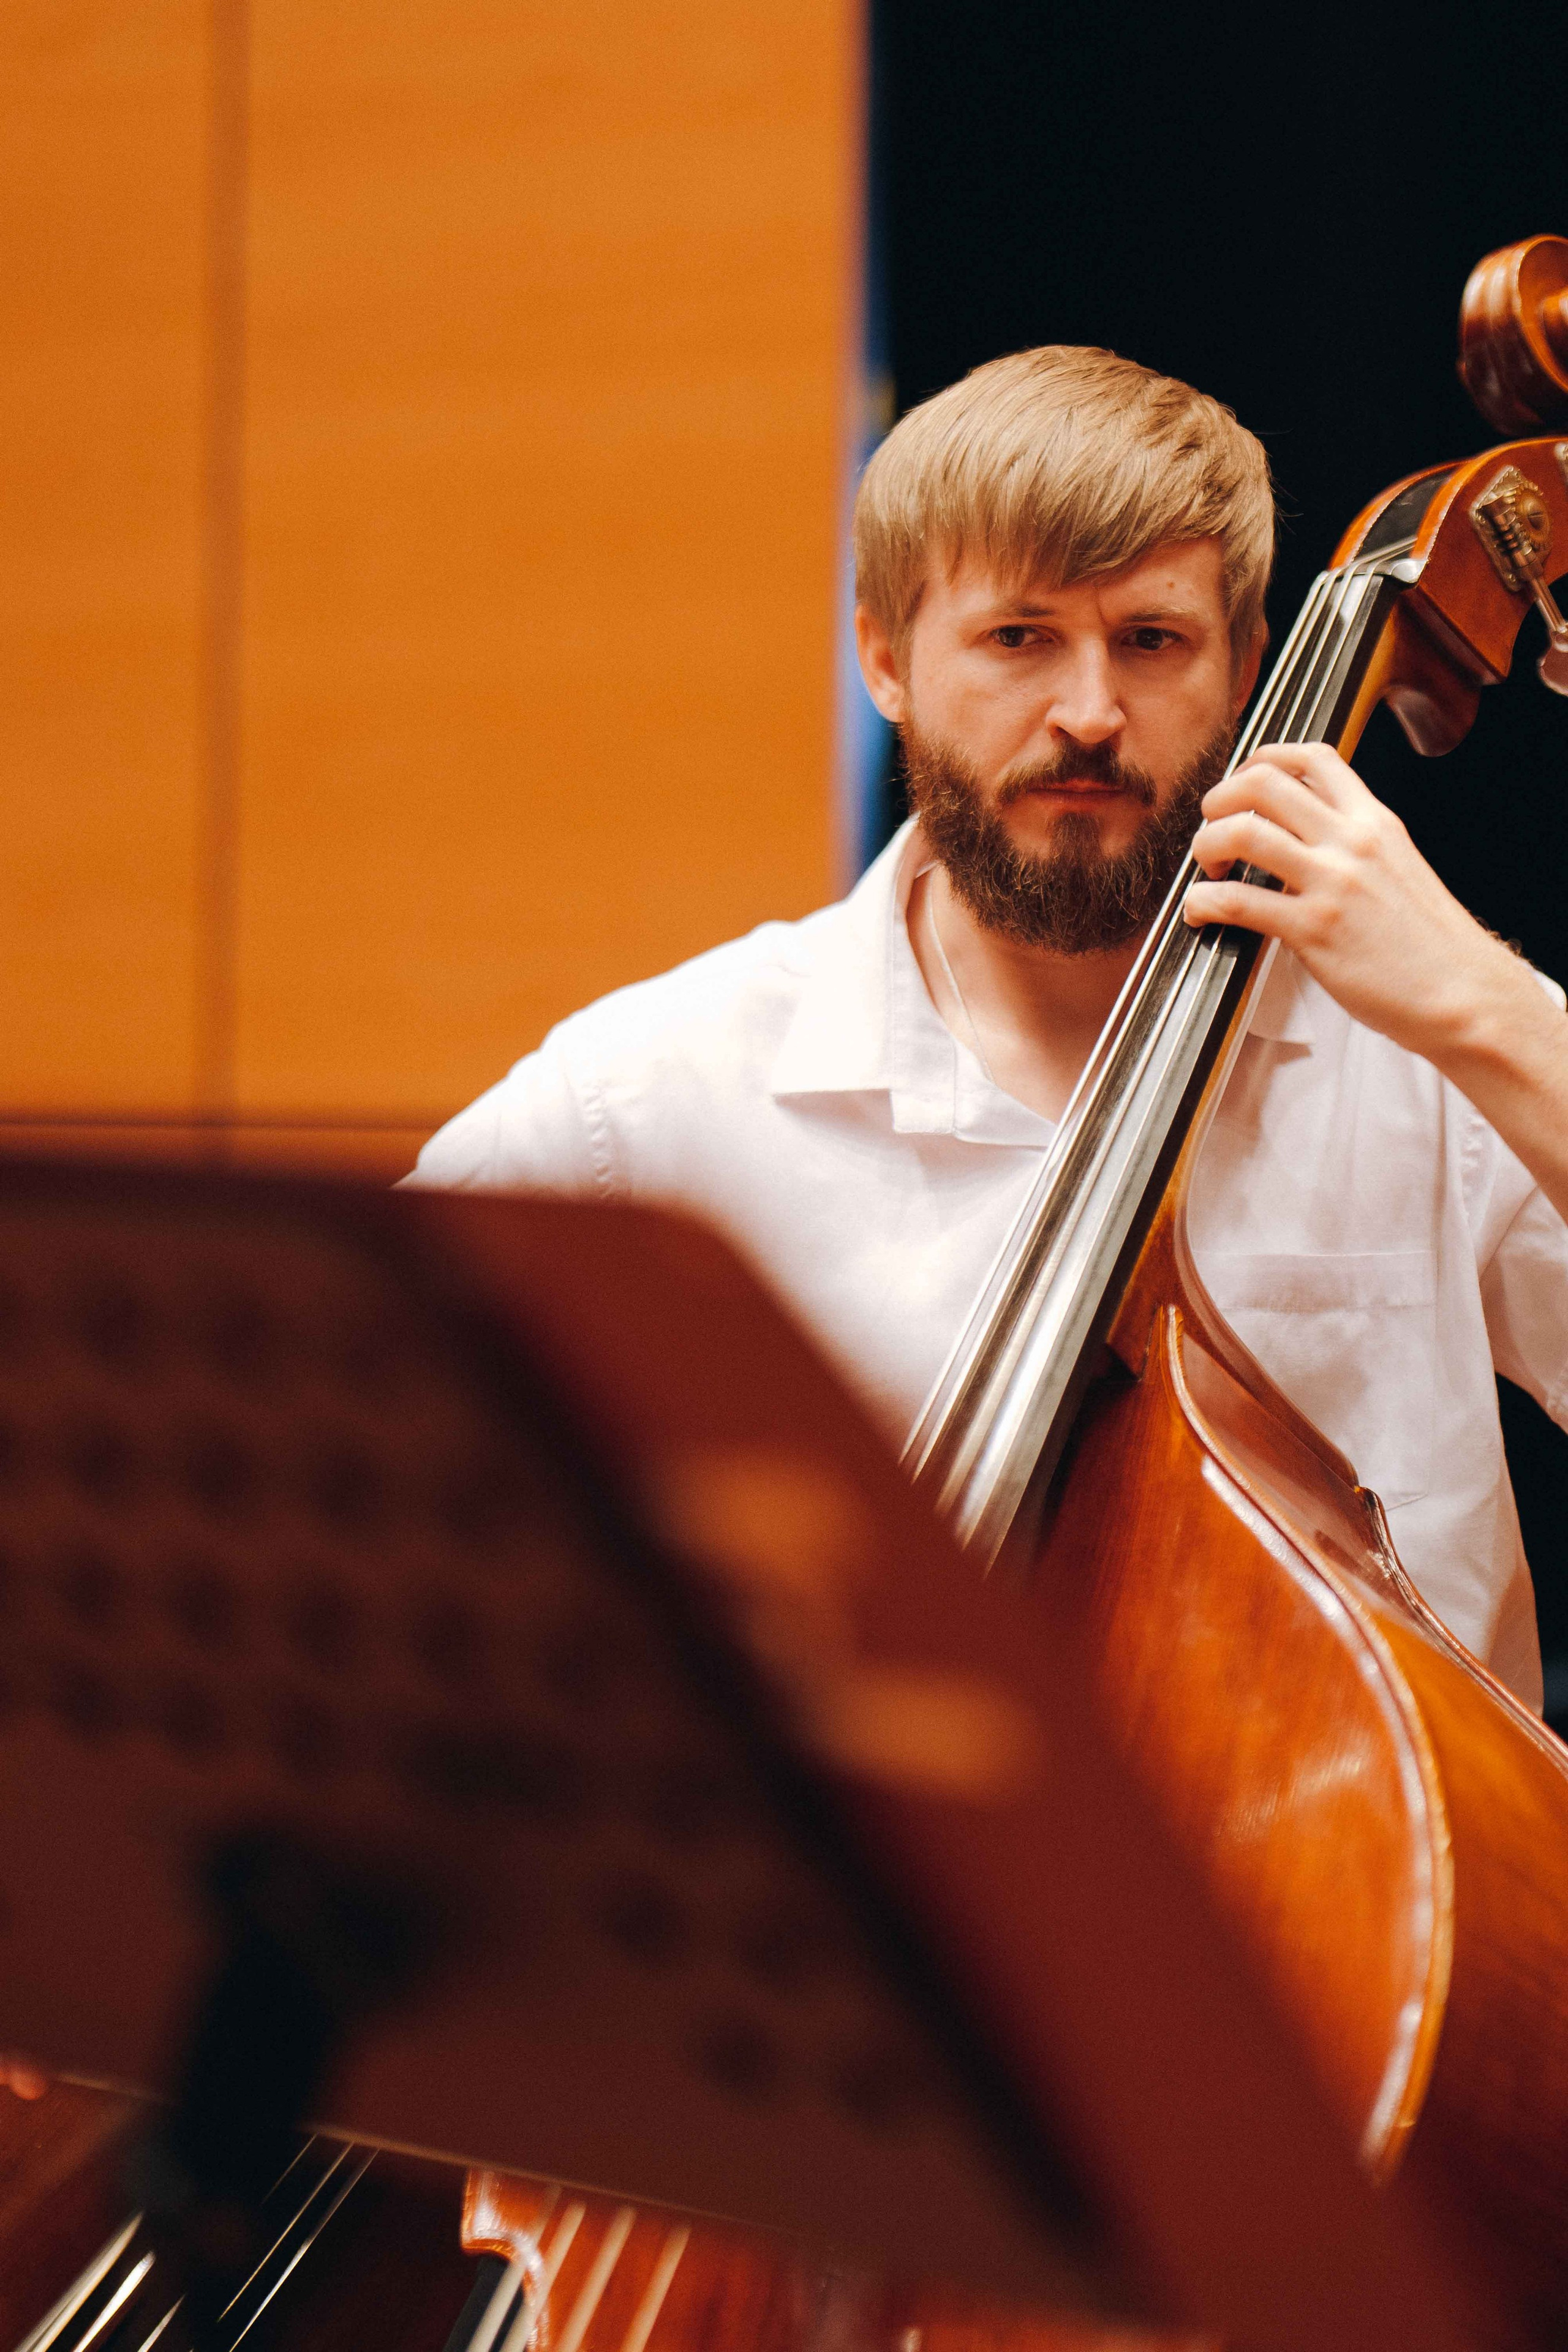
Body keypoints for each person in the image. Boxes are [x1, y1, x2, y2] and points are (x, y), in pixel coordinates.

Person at [407, 344, 1568, 1710]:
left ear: (1249, 664)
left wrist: (1488, 1010)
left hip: (1419, 1917)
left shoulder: (1426, 1055)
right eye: (1018, 638)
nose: (1087, 712)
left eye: (1151, 640)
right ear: (883, 660)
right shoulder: (660, 1096)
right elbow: (344, 1459)